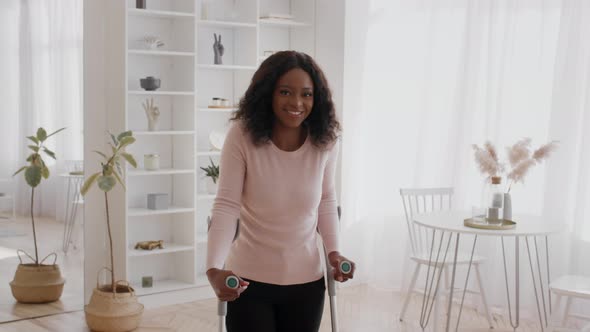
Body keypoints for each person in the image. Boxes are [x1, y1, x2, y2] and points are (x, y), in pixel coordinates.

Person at [206, 50, 356, 332]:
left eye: (307, 94)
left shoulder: (325, 140)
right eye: (285, 92)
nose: (297, 103)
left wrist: (335, 253)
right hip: (247, 282)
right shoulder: (242, 136)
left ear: (317, 98)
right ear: (269, 93)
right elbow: (227, 205)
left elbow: (326, 201)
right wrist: (213, 269)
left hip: (307, 283)